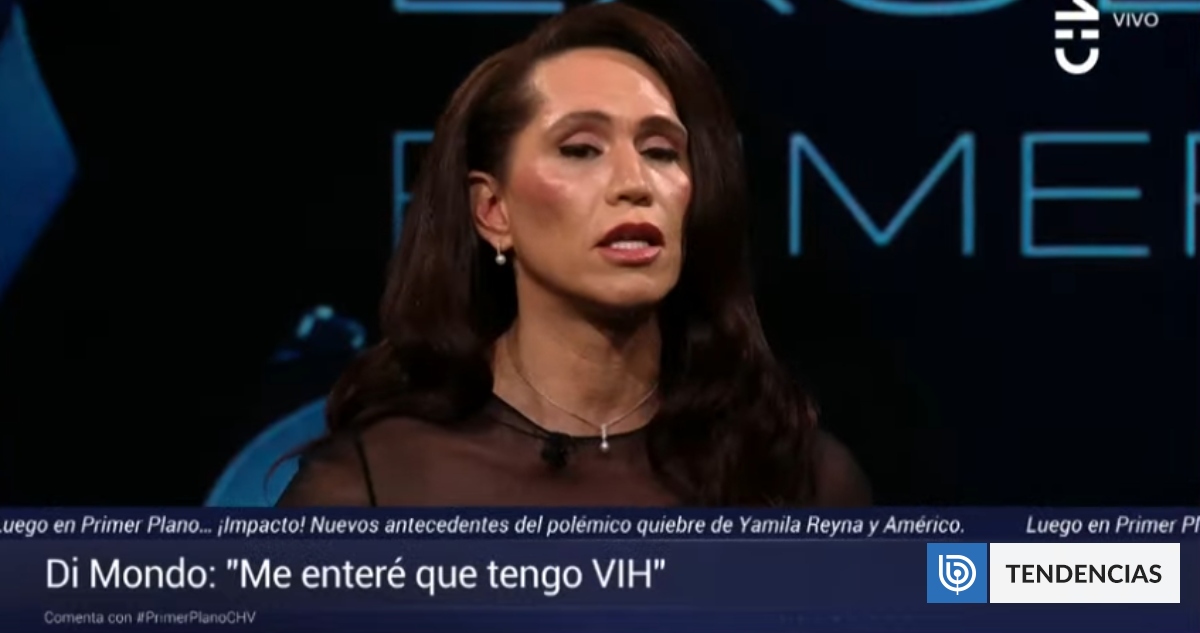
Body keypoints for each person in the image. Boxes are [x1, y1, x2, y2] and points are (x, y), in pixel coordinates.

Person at [278, 2, 871, 507]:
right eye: (581, 149)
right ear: (493, 211)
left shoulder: (797, 477)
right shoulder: (374, 485)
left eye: (661, 151)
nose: (635, 183)